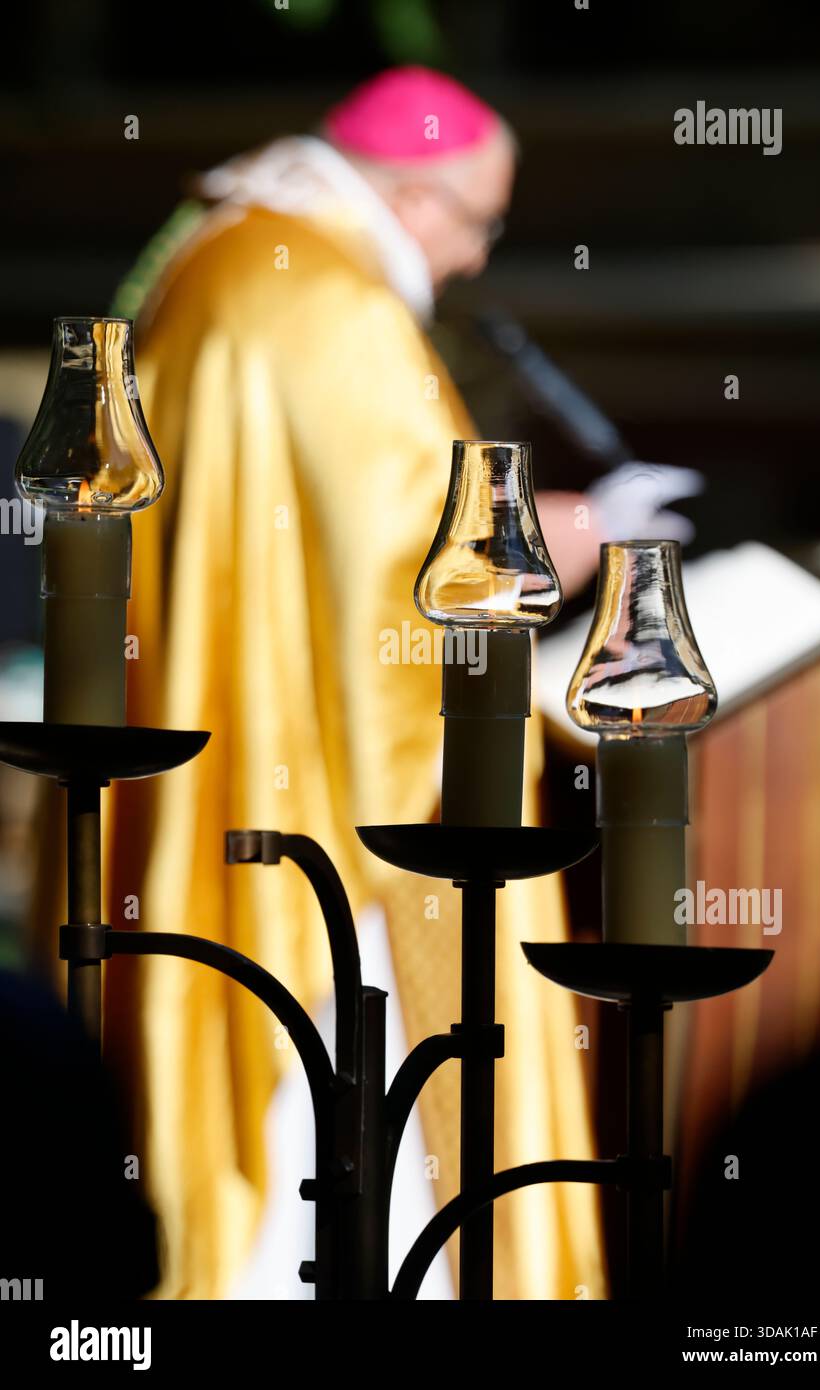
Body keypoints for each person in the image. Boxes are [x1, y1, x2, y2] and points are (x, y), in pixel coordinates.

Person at [85, 66, 690, 1301]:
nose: (470, 262)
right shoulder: (334, 303)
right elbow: (409, 586)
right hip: (340, 826)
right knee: (362, 1159)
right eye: (475, 226)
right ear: (416, 200)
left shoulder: (222, 263)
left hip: (240, 767)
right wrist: (561, 546)